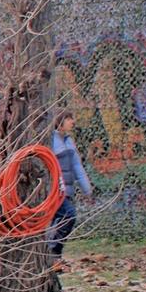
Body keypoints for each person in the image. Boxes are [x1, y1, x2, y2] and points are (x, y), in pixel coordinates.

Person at [49, 110, 92, 261]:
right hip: (54, 191)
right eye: (68, 118)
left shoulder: (68, 140)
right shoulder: (50, 140)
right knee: (69, 215)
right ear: (59, 120)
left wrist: (86, 187)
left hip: (66, 191)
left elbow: (76, 166)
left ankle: (53, 257)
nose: (72, 122)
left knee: (58, 221)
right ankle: (52, 251)